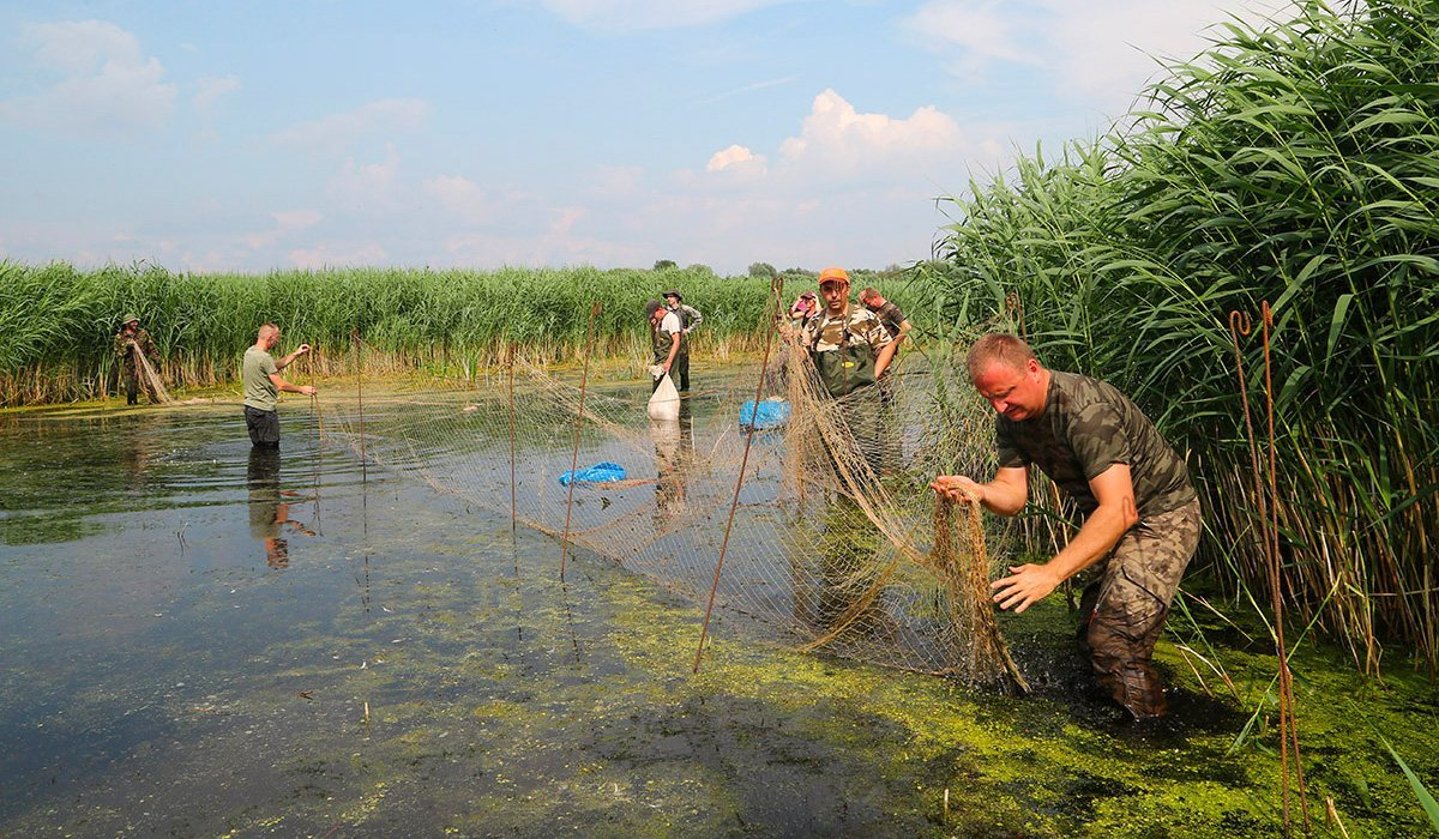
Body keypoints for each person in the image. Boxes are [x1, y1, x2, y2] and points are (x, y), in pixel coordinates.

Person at [931, 333, 1201, 719]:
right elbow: (1012, 495)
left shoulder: (1084, 411)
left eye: (1005, 394)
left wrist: (1050, 575)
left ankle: (1150, 737)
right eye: (989, 398)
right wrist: (979, 492)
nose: (1000, 406)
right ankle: (1115, 717)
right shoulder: (1011, 419)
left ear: (1033, 369)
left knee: (1115, 641)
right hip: (1110, 518)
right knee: (1090, 640)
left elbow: (1120, 510)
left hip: (1163, 515)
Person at [799, 267, 897, 474]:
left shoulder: (865, 317)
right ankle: (846, 494)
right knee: (837, 452)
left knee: (867, 448)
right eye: (828, 290)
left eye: (839, 288)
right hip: (829, 401)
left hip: (863, 398)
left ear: (847, 289)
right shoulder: (815, 323)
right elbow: (803, 352)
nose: (834, 295)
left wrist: (875, 375)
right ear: (822, 292)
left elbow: (888, 345)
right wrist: (792, 343)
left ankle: (870, 494)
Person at [242, 323, 317, 448]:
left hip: (250, 410)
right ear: (270, 338)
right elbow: (281, 385)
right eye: (277, 338)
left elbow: (272, 366)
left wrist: (295, 354)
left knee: (259, 449)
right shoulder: (264, 358)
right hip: (264, 411)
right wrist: (301, 389)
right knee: (270, 451)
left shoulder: (250, 352)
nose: (278, 341)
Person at [113, 314, 161, 405]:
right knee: (131, 389)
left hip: (143, 364)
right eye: (132, 322)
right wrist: (126, 349)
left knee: (149, 384)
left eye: (136, 322)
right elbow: (118, 354)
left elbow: (151, 348)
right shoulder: (119, 337)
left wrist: (157, 360)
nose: (135, 323)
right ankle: (132, 405)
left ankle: (154, 402)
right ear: (127, 324)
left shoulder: (143, 333)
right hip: (128, 366)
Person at [661, 290, 702, 392]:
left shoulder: (684, 309)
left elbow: (699, 318)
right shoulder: (665, 311)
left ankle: (685, 390)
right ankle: (670, 389)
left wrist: (688, 330)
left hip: (682, 341)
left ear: (677, 298)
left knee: (683, 368)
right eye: (667, 297)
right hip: (669, 341)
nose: (668, 299)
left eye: (671, 297)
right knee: (670, 366)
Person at [645, 299, 684, 394]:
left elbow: (676, 341)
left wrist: (668, 362)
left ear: (660, 310)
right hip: (659, 358)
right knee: (657, 388)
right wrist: (652, 327)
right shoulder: (658, 321)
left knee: (669, 389)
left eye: (654, 315)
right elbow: (654, 341)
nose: (653, 317)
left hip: (669, 358)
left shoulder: (671, 319)